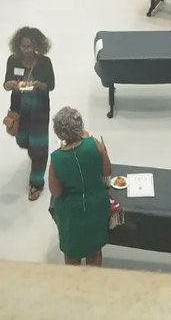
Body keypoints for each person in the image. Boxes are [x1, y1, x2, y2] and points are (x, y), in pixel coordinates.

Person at [48, 106, 111, 267]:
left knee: (71, 253)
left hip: (70, 211)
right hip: (96, 204)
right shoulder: (96, 145)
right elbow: (107, 171)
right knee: (95, 251)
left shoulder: (56, 159)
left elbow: (56, 191)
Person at [4, 27, 56, 200]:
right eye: (23, 46)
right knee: (22, 139)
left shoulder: (45, 62)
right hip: (19, 107)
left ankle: (36, 183)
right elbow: (5, 83)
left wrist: (38, 85)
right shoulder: (13, 61)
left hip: (39, 108)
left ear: (37, 46)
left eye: (29, 46)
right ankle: (33, 152)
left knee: (39, 147)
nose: (26, 50)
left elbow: (51, 85)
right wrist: (9, 84)